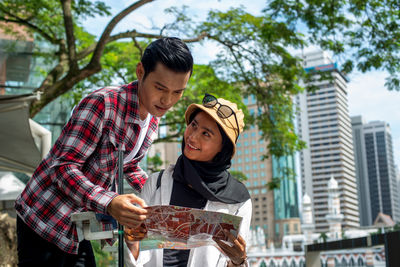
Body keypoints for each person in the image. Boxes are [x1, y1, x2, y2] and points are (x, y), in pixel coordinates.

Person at [15, 37, 193, 266]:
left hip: (77, 224)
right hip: (44, 218)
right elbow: (62, 168)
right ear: (141, 72)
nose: (168, 100)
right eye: (160, 88)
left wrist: (158, 194)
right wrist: (110, 202)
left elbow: (127, 164)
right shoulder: (103, 103)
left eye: (178, 92)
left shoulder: (152, 119)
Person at [125, 94, 252, 267]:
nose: (192, 137)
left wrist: (239, 260)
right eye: (193, 125)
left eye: (206, 134)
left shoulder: (238, 200)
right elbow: (138, 256)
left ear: (223, 149)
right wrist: (132, 241)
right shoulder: (156, 183)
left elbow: (231, 261)